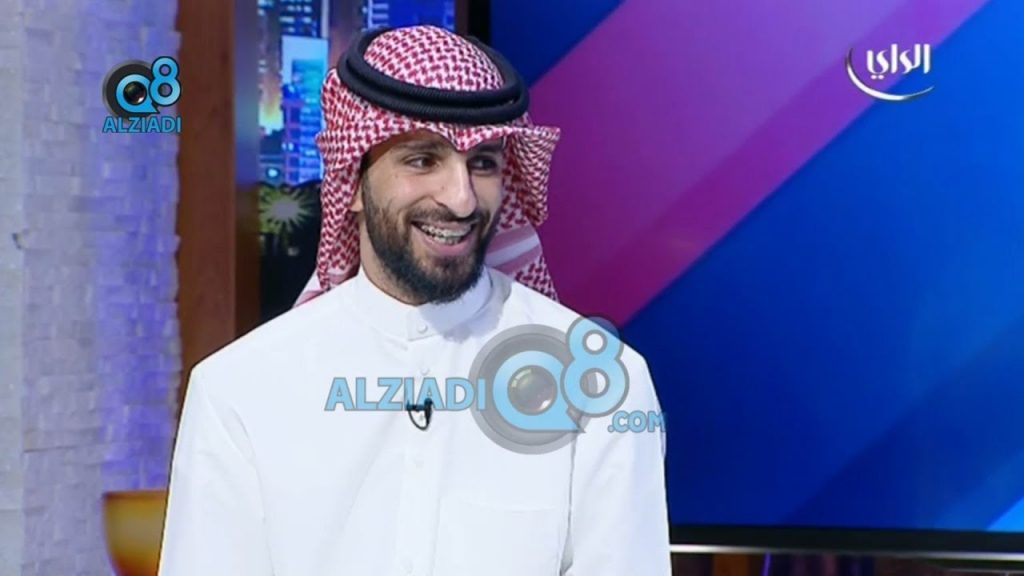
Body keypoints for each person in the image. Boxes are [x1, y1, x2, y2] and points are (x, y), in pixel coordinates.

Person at [158, 25, 670, 576]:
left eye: (483, 163)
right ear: (352, 179)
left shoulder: (599, 385)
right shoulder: (240, 390)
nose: (461, 200)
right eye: (423, 160)